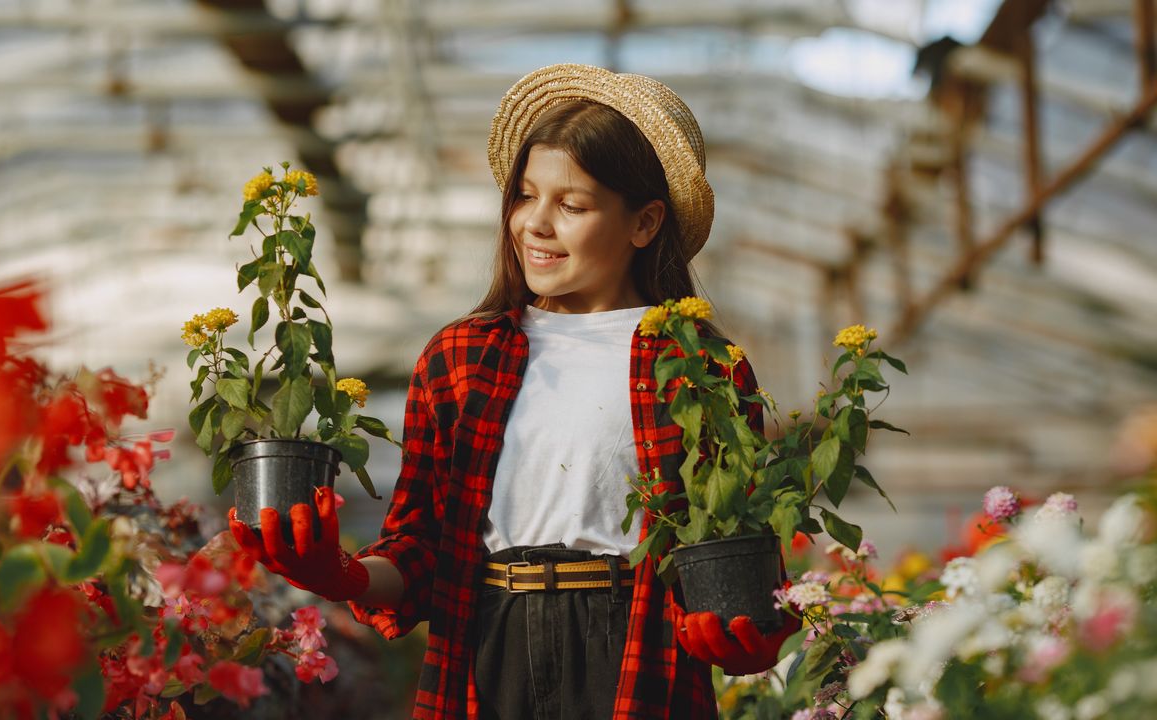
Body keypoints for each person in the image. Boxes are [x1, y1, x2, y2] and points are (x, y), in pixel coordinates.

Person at [229, 63, 799, 719]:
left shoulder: (701, 363)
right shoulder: (461, 357)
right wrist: (340, 573)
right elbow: (420, 548)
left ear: (644, 223)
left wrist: (749, 633)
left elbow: (739, 550)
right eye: (525, 196)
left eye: (572, 205)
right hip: (488, 645)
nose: (535, 223)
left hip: (634, 650)